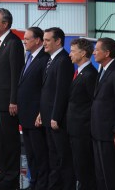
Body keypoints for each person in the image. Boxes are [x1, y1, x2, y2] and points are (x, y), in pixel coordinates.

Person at [0, 8, 25, 189]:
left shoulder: (14, 42)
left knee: (10, 140)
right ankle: (2, 173)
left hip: (8, 102)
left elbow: (15, 74)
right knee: (0, 140)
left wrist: (13, 100)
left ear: (5, 24)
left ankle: (11, 175)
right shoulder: (0, 41)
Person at [36, 27, 75, 189]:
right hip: (48, 116)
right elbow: (47, 91)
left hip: (56, 119)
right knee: (53, 156)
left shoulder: (63, 60)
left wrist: (55, 117)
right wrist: (41, 113)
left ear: (58, 41)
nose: (43, 43)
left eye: (47, 40)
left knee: (62, 157)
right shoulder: (52, 59)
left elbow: (61, 92)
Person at [91, 37, 115, 189]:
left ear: (107, 53)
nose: (94, 53)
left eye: (96, 50)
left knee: (112, 174)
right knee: (101, 174)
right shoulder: (103, 69)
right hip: (98, 131)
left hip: (110, 134)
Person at [17, 27, 49, 190]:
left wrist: (41, 113)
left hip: (36, 116)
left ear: (38, 40)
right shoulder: (29, 57)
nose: (24, 41)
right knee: (30, 154)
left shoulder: (44, 60)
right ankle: (34, 181)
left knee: (40, 153)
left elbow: (45, 89)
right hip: (25, 114)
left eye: (27, 38)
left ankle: (42, 184)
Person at [66, 38, 97, 189]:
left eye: (72, 51)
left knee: (85, 168)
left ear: (83, 53)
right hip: (74, 129)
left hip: (83, 130)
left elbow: (94, 104)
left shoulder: (90, 74)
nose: (70, 54)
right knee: (79, 166)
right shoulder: (79, 72)